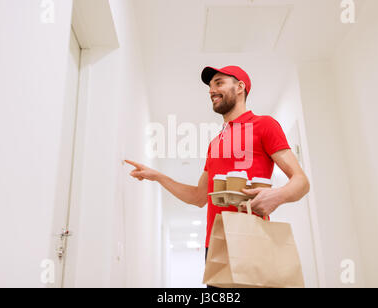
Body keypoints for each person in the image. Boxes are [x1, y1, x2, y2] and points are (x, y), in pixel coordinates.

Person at [124, 65, 310, 288]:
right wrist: (157, 176)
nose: (211, 90)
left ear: (240, 87)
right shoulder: (215, 144)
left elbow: (301, 182)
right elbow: (199, 197)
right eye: (210, 86)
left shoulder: (264, 125)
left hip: (250, 237)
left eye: (219, 83)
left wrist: (277, 196)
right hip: (215, 246)